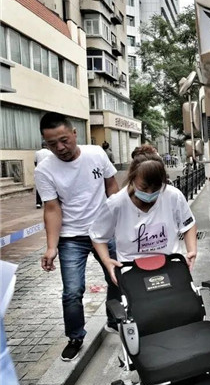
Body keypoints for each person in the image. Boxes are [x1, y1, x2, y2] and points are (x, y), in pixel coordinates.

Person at [34, 112, 121, 362]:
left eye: (64, 140)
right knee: (72, 291)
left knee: (117, 278)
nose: (60, 148)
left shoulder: (96, 154)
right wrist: (52, 247)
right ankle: (75, 336)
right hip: (71, 237)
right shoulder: (45, 169)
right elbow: (52, 208)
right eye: (52, 144)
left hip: (103, 233)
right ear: (45, 143)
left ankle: (114, 319)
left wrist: (116, 222)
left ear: (74, 134)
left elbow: (111, 188)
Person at [89, 146, 198, 285]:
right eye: (144, 188)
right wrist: (107, 261)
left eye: (156, 188)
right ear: (132, 179)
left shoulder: (172, 195)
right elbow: (97, 236)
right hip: (132, 269)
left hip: (170, 264)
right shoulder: (117, 203)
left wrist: (192, 251)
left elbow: (188, 225)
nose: (150, 193)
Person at [34, 140, 53, 208]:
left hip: (39, 171)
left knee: (39, 187)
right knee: (50, 187)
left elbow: (35, 162)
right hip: (49, 171)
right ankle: (49, 201)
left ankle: (38, 203)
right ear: (47, 146)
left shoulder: (37, 152)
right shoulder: (50, 153)